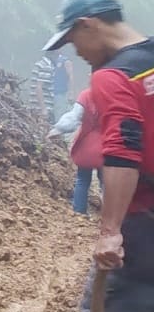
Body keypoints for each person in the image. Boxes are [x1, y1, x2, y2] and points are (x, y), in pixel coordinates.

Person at [39, 0, 154, 312]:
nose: (79, 54)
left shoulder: (114, 75)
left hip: (143, 217)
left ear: (89, 24)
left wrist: (110, 230)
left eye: (74, 41)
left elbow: (123, 148)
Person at [48, 88, 103, 216]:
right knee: (106, 183)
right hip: (107, 147)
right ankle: (108, 215)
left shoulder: (87, 94)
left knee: (82, 179)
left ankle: (79, 211)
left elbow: (73, 118)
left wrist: (58, 129)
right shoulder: (115, 95)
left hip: (86, 146)